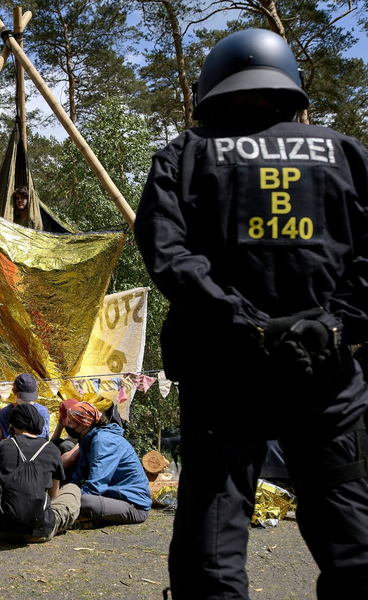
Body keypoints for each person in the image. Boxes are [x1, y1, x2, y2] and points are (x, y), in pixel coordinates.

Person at [135, 28, 368, 599]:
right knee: (353, 539)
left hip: (224, 378)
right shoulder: (347, 155)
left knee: (212, 541)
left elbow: (168, 256)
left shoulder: (185, 156)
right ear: (288, 86)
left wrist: (246, 323)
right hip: (326, 376)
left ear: (211, 88)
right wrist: (333, 323)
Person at [0, 404, 80, 543]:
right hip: (41, 531)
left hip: (2, 530)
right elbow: (53, 496)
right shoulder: (52, 450)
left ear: (13, 425)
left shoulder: (2, 447)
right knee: (73, 489)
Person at [65, 402, 151, 526]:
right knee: (68, 493)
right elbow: (79, 476)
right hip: (113, 496)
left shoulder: (104, 441)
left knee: (84, 501)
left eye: (70, 423)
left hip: (134, 505)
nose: (67, 426)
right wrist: (66, 492)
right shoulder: (86, 440)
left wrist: (69, 501)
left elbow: (96, 485)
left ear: (84, 424)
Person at [0, 374, 50, 439]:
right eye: (23, 397)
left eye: (29, 396)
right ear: (15, 392)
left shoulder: (42, 411)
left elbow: (43, 436)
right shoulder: (5, 413)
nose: (26, 400)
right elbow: (6, 437)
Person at [50, 398, 80, 482]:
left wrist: (51, 468)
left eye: (70, 422)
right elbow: (52, 443)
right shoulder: (72, 428)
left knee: (66, 446)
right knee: (54, 443)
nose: (68, 425)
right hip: (72, 451)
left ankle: (65, 481)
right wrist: (60, 425)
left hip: (81, 457)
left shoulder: (84, 426)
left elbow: (72, 457)